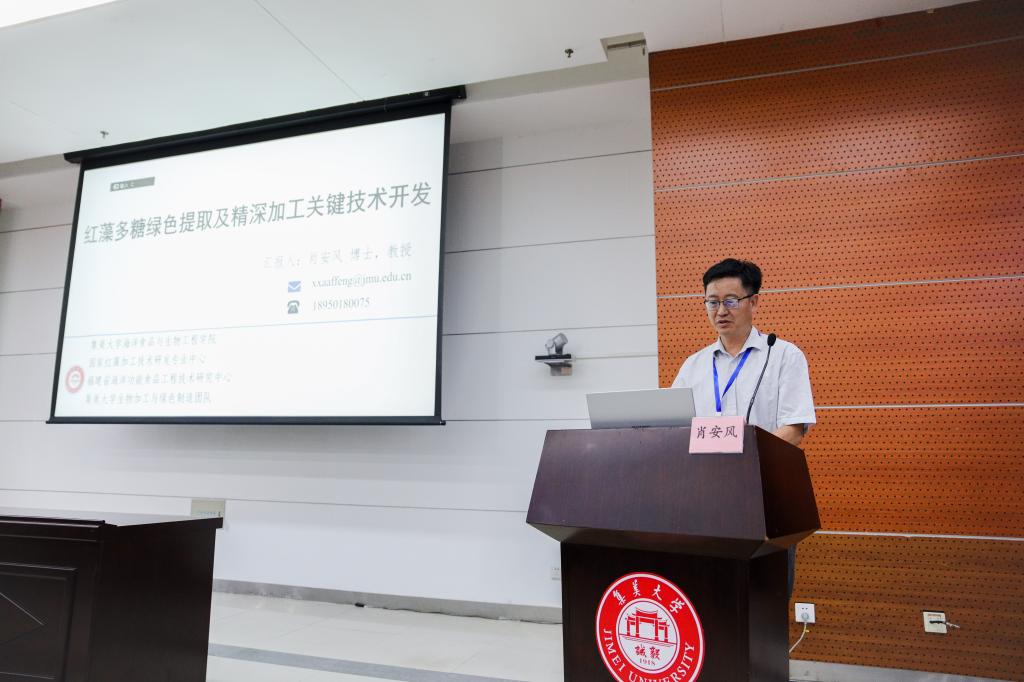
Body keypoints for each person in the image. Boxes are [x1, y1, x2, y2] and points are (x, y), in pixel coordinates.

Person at [671, 258, 816, 596]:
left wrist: (746, 461)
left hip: (764, 493)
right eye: (712, 302)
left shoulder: (783, 356)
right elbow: (675, 428)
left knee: (766, 594)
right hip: (706, 494)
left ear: (754, 301)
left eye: (731, 301)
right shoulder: (693, 365)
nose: (721, 310)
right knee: (711, 592)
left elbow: (794, 429)